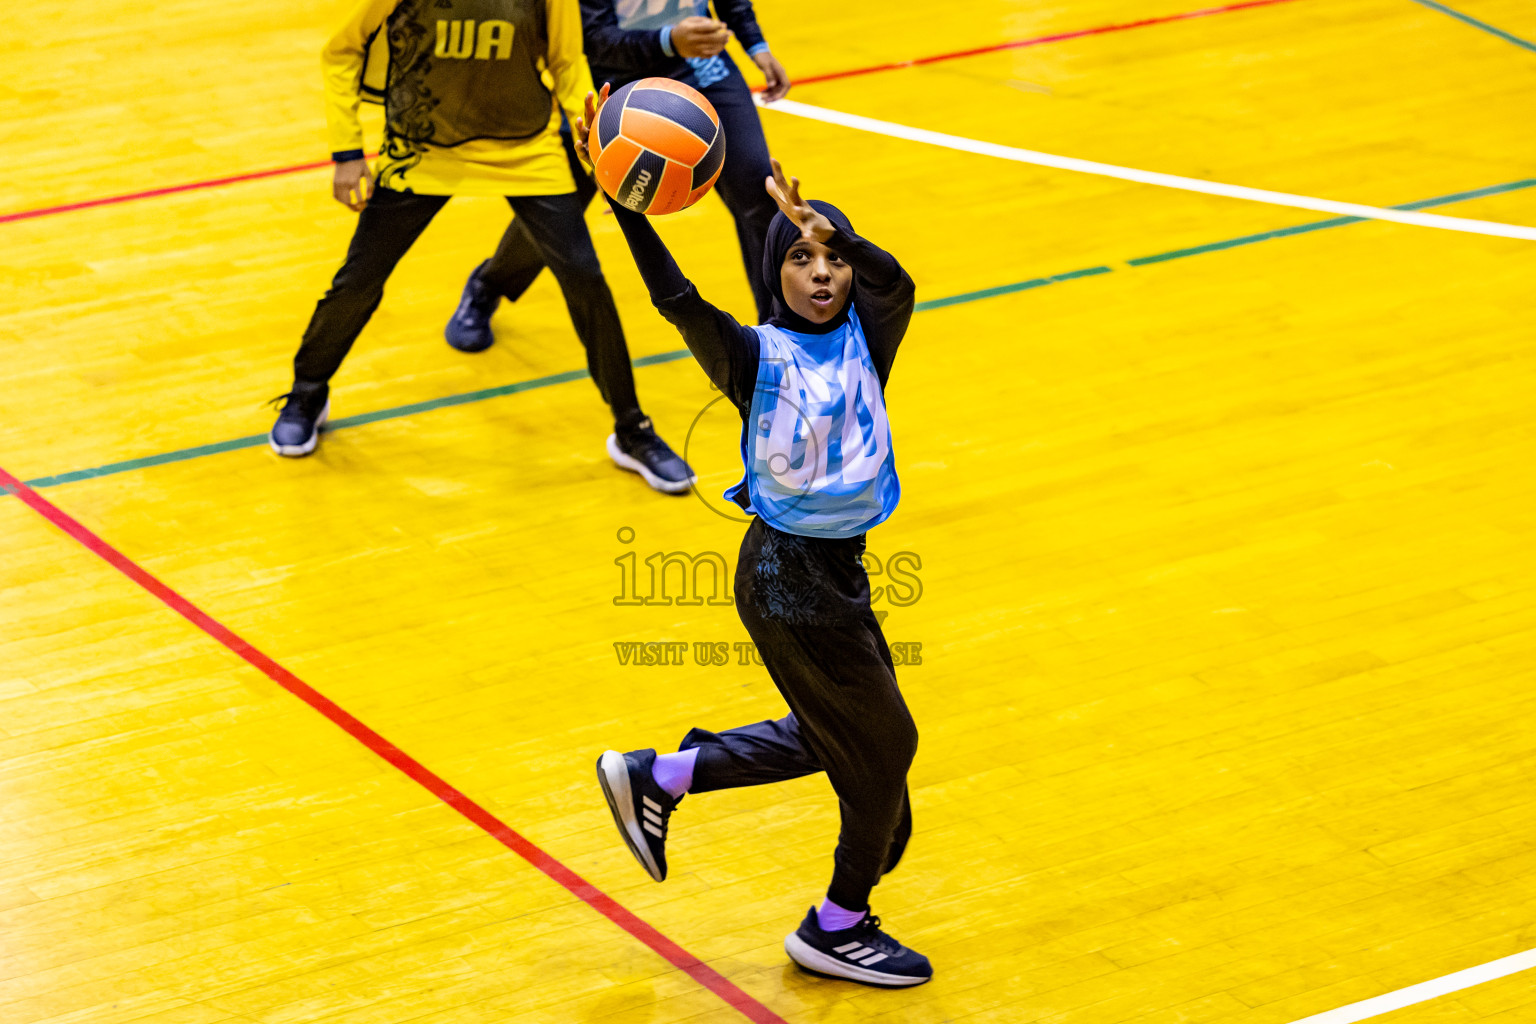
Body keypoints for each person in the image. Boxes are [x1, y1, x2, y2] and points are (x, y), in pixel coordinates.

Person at [574, 84, 931, 986]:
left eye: (832, 260)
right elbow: (674, 297)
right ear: (773, 272)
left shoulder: (866, 337)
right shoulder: (755, 357)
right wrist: (627, 211)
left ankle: (661, 778)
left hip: (838, 570)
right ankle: (836, 924)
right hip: (785, 576)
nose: (823, 274)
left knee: (845, 741)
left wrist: (832, 224)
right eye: (802, 258)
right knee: (884, 750)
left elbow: (900, 282)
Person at [269, 0, 694, 495]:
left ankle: (633, 430)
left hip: (525, 150)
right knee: (358, 279)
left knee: (585, 278)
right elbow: (339, 51)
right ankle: (306, 392)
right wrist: (346, 151)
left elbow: (566, 61)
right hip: (421, 149)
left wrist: (597, 146)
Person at [442, 0, 790, 356]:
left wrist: (756, 45)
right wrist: (669, 41)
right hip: (613, 75)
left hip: (699, 64)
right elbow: (591, 38)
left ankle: (777, 337)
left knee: (759, 192)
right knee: (559, 207)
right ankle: (488, 286)